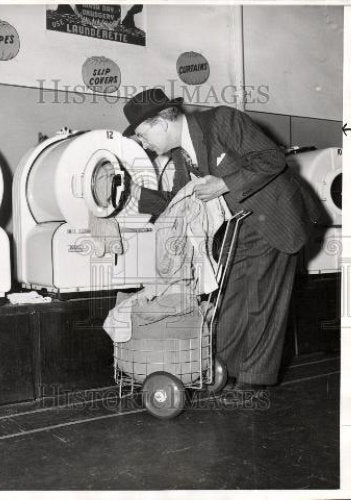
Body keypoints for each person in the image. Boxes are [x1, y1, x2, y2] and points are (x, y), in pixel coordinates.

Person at [122, 88, 325, 393]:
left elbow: (271, 158)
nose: (143, 144)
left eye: (141, 134)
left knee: (262, 302)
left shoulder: (222, 121)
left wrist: (224, 183)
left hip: (276, 219)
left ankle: (253, 382)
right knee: (228, 302)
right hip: (240, 228)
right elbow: (176, 201)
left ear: (161, 123)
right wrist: (132, 194)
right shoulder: (181, 155)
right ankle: (223, 373)